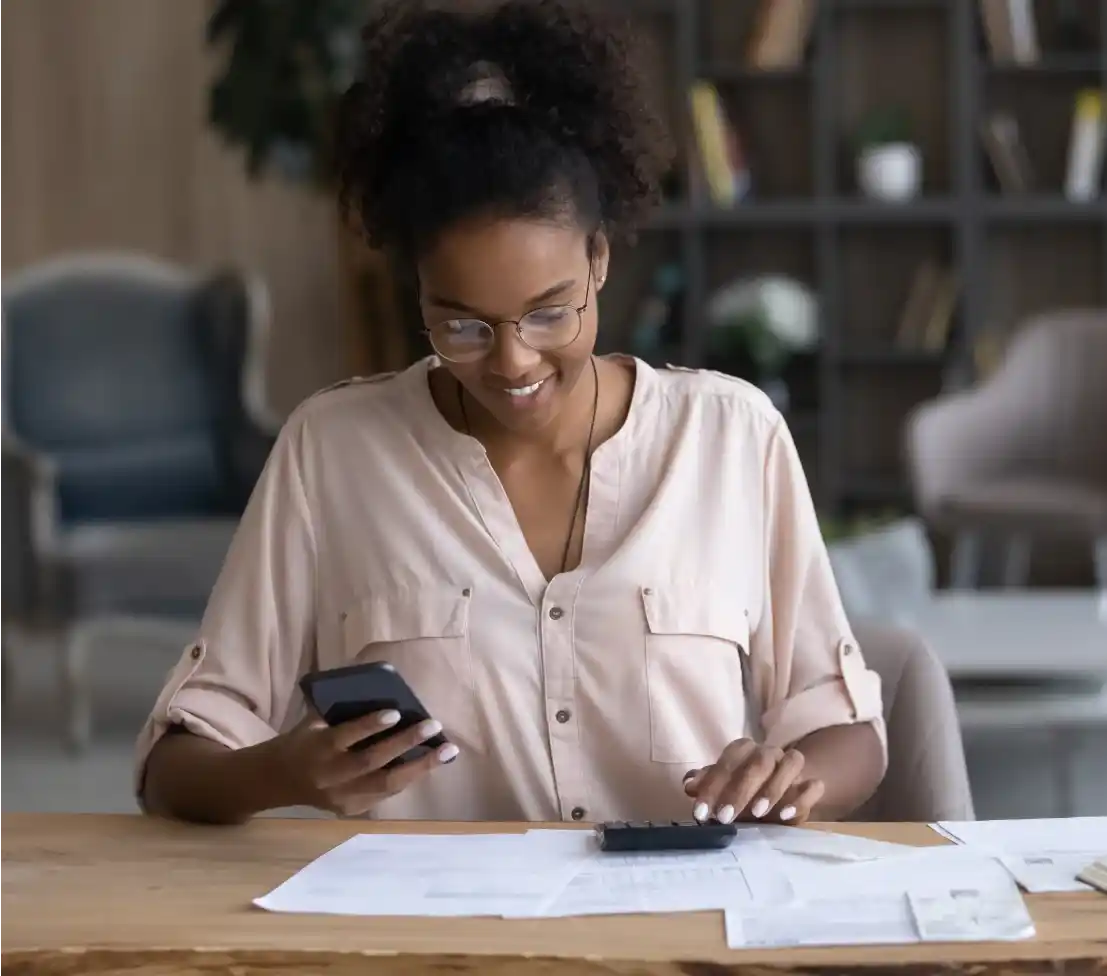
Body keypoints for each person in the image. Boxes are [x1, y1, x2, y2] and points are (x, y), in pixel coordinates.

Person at [137, 0, 887, 828]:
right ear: (415, 289)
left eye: (547, 313)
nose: (511, 361)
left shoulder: (730, 439)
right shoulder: (332, 453)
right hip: (436, 946)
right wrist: (281, 771)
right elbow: (175, 765)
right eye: (460, 323)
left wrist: (785, 776)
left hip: (676, 934)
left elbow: (846, 731)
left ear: (598, 261)